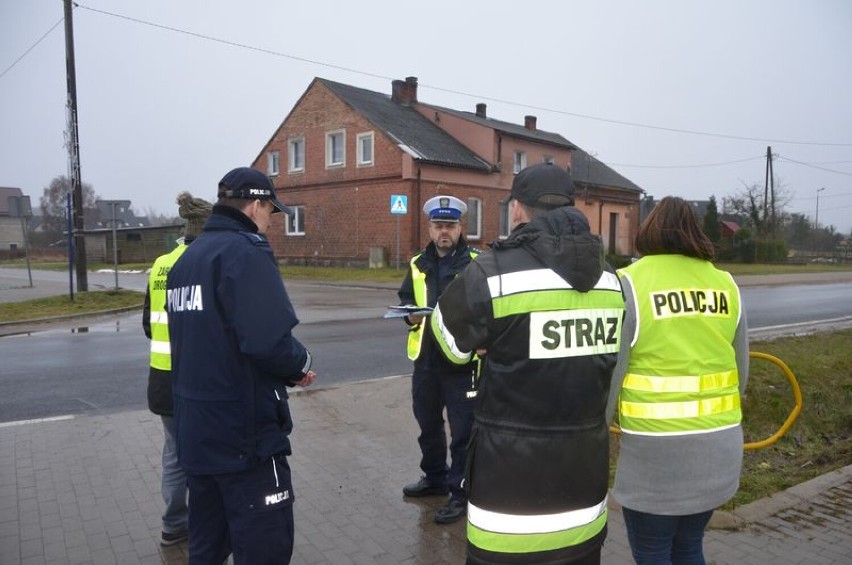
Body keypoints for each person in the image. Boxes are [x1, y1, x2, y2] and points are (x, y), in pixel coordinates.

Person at [430, 162, 624, 564]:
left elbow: (449, 344)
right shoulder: (613, 279)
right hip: (583, 495)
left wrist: (489, 342)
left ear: (517, 209)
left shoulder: (492, 272)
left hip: (508, 499)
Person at [166, 166, 317, 565]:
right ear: (255, 206)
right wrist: (301, 363)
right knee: (265, 549)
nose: (270, 224)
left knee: (206, 551)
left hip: (198, 437)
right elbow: (269, 341)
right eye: (271, 213)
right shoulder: (245, 252)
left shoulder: (186, 260)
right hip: (244, 441)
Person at [605, 196, 749, 565]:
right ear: (695, 234)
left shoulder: (629, 284)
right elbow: (741, 374)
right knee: (688, 547)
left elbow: (612, 374)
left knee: (653, 551)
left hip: (657, 457)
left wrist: (597, 428)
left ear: (648, 231)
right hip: (719, 447)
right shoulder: (725, 284)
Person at [398, 195, 479, 524]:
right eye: (438, 226)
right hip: (426, 362)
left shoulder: (476, 263)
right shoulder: (418, 263)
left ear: (461, 228)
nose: (444, 231)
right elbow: (405, 299)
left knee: (463, 431)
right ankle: (434, 478)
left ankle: (460, 492)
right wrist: (409, 318)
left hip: (461, 363)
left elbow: (487, 307)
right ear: (429, 229)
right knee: (427, 425)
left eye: (450, 225)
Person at [142, 191, 213, 546]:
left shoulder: (161, 263)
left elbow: (147, 324)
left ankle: (173, 525)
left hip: (161, 378)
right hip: (195, 380)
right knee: (202, 456)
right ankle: (205, 527)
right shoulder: (203, 262)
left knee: (173, 454)